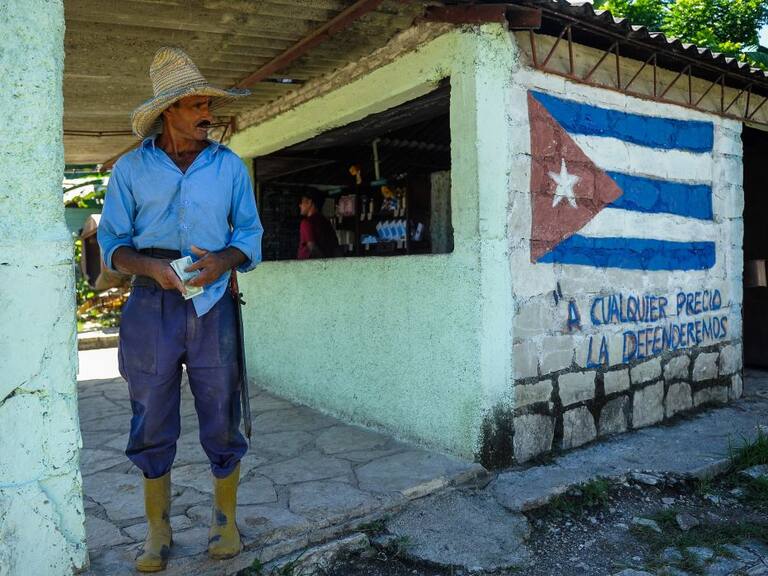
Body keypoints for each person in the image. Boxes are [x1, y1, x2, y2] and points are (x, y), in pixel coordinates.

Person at [97, 47, 263, 572]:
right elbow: (113, 245)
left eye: (207, 105)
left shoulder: (228, 166)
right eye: (195, 106)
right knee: (150, 414)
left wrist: (223, 262)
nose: (206, 115)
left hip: (214, 303)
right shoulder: (130, 169)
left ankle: (225, 522)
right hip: (151, 304)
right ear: (168, 111)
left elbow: (251, 235)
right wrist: (151, 270)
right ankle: (157, 531)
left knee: (221, 409)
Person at [297, 189, 339, 259]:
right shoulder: (326, 222)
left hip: (309, 266)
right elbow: (335, 247)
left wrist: (323, 264)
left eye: (302, 202)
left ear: (309, 202)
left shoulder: (306, 223)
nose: (300, 205)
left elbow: (312, 248)